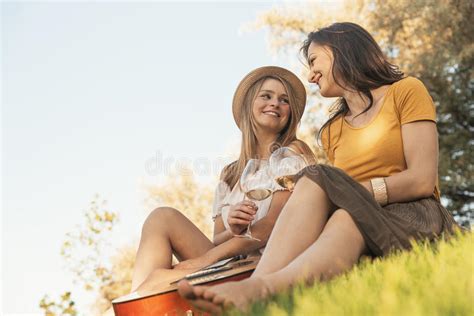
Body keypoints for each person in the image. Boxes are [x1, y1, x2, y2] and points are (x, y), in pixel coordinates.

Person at [177, 22, 461, 314]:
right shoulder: (332, 130)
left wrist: (352, 194)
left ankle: (258, 288)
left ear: (341, 49)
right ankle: (257, 290)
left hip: (415, 214)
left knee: (319, 179)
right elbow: (340, 206)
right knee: (341, 217)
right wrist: (345, 200)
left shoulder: (405, 91)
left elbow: (422, 180)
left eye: (314, 61)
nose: (311, 75)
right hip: (361, 218)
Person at [129, 66, 315, 293]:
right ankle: (141, 303)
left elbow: (272, 226)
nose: (275, 103)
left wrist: (203, 261)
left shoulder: (291, 153)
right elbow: (218, 238)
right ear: (249, 106)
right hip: (231, 261)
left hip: (264, 263)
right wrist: (236, 229)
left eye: (284, 100)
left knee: (159, 280)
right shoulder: (231, 173)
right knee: (161, 217)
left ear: (290, 114)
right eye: (266, 96)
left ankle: (138, 302)